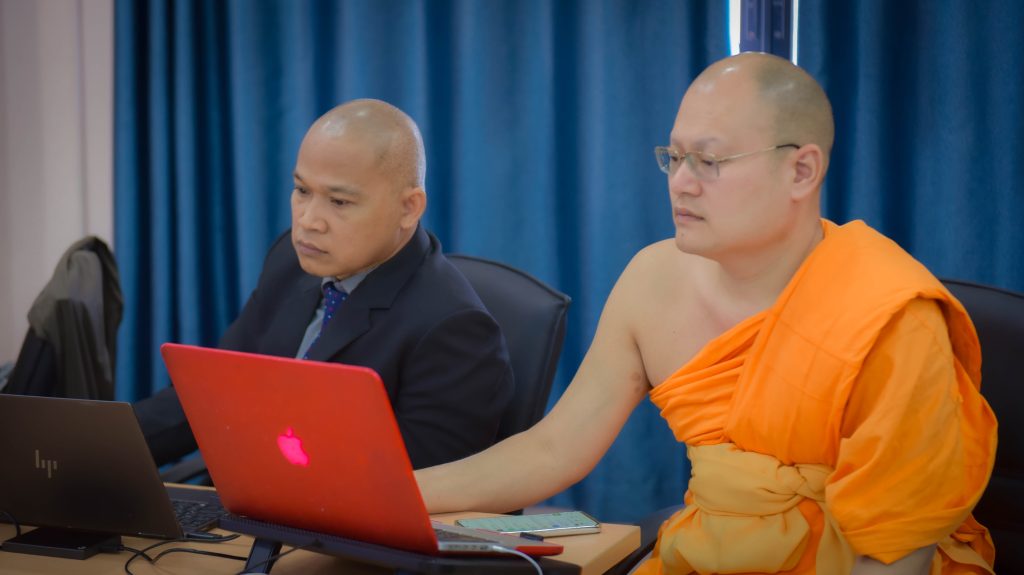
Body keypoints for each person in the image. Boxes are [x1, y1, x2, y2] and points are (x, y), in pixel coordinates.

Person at [415, 53, 997, 574]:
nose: (681, 184)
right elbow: (554, 450)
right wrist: (395, 491)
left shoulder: (890, 315)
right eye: (674, 157)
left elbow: (895, 551)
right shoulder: (653, 278)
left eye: (709, 161)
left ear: (802, 171)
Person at [134, 99, 514, 471]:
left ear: (409, 208)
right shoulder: (291, 261)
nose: (309, 221)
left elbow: (413, 489)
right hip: (254, 489)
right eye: (302, 191)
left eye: (340, 202)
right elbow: (215, 392)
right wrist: (109, 448)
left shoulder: (455, 330)